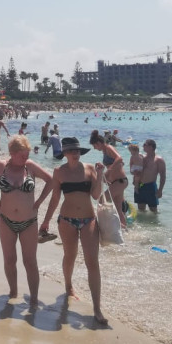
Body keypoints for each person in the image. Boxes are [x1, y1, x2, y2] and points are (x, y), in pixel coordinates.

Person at [0, 135, 54, 311]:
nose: (25, 158)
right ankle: (13, 292)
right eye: (22, 155)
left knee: (30, 262)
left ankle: (34, 299)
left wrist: (39, 201)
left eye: (27, 155)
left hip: (29, 222)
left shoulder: (30, 167)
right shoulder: (1, 167)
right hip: (6, 221)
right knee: (10, 259)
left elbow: (51, 181)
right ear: (12, 153)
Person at [41, 137, 107, 325]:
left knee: (92, 261)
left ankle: (97, 308)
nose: (75, 153)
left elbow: (96, 195)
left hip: (88, 219)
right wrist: (46, 220)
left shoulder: (90, 169)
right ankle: (68, 286)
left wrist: (100, 174)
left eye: (77, 150)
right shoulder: (59, 172)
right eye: (71, 151)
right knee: (70, 255)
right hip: (67, 220)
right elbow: (55, 198)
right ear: (65, 153)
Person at [90, 130, 128, 228]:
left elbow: (119, 158)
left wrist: (109, 169)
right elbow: (119, 163)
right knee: (118, 209)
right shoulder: (105, 151)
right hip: (116, 182)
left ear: (98, 143)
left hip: (120, 181)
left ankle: (102, 225)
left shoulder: (109, 147)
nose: (94, 148)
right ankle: (124, 229)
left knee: (101, 200)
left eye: (94, 146)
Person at [136, 139, 166, 213]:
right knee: (140, 209)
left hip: (150, 186)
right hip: (140, 185)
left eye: (145, 144)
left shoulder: (158, 160)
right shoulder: (141, 158)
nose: (143, 146)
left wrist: (160, 190)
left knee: (153, 210)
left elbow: (163, 176)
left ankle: (154, 221)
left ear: (151, 147)